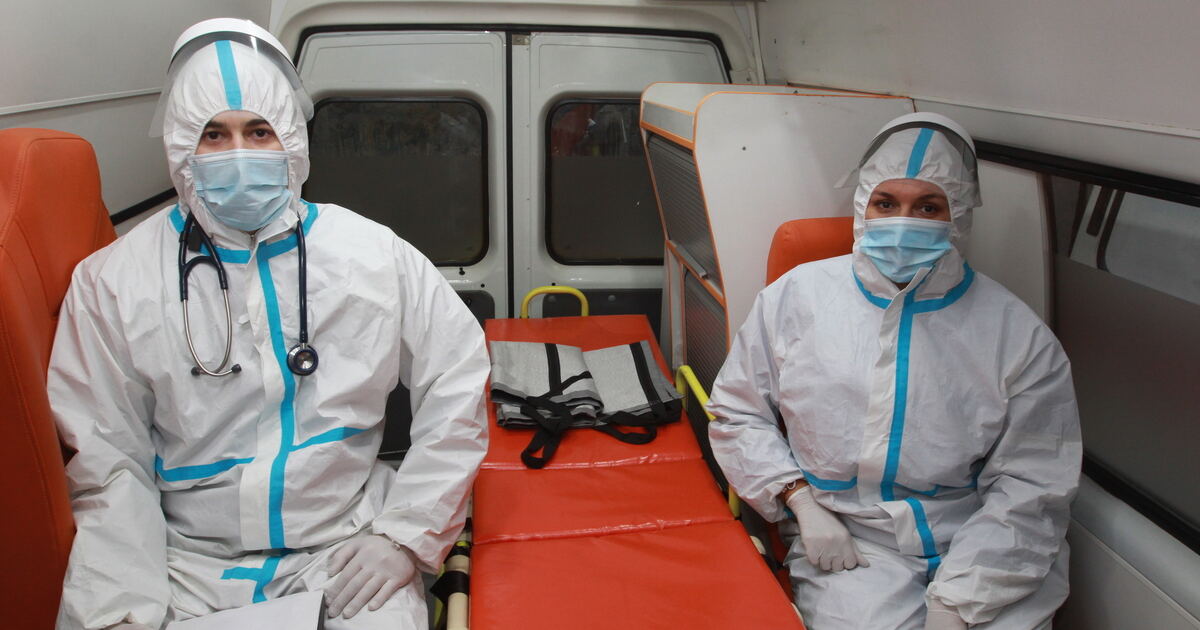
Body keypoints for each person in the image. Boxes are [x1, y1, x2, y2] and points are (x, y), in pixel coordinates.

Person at [50, 18, 489, 630]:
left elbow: (457, 380)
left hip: (344, 548)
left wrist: (406, 535)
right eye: (214, 134)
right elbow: (108, 462)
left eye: (259, 131)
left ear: (291, 139)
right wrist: (118, 605)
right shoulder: (113, 282)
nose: (239, 153)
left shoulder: (371, 255)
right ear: (181, 147)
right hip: (184, 564)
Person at [707, 112, 1081, 630]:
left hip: (983, 538)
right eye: (886, 203)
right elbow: (737, 411)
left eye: (928, 206)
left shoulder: (1016, 333)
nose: (904, 221)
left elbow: (1034, 480)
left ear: (957, 216)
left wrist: (959, 600)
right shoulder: (795, 297)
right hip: (851, 537)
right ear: (863, 207)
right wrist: (799, 501)